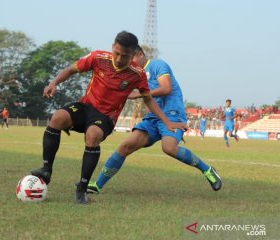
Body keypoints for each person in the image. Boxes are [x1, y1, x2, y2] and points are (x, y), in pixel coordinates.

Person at [30, 31, 187, 204]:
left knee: (93, 135)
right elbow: (71, 69)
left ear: (134, 55)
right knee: (57, 117)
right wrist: (54, 83)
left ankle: (82, 189)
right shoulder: (98, 57)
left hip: (106, 116)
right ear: (113, 47)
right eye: (117, 53)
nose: (119, 59)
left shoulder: (137, 74)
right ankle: (46, 170)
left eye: (125, 56)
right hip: (86, 106)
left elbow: (149, 100)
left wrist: (167, 122)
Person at [87, 45, 222, 194]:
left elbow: (166, 88)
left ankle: (208, 170)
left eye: (130, 58)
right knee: (125, 146)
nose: (127, 62)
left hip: (172, 114)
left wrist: (138, 94)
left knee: (169, 148)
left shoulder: (157, 65)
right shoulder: (135, 74)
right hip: (153, 117)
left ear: (140, 54)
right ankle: (97, 185)